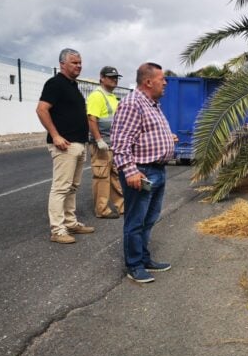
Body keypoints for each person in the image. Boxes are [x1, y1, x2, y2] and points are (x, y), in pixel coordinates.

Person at [111, 62, 175, 283]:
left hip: (157, 169)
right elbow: (120, 143)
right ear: (148, 82)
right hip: (142, 171)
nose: (165, 82)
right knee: (136, 221)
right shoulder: (133, 104)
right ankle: (134, 265)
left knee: (149, 219)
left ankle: (144, 257)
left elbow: (144, 134)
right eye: (162, 79)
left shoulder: (152, 104)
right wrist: (131, 172)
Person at [36, 48, 95, 244]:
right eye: (74, 62)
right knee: (61, 188)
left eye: (79, 62)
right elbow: (42, 109)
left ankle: (70, 223)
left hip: (78, 144)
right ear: (62, 64)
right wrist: (55, 135)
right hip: (64, 145)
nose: (78, 65)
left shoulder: (73, 86)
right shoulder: (55, 84)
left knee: (73, 187)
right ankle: (58, 230)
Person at [86, 66, 125, 218]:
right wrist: (98, 140)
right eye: (110, 77)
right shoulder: (97, 96)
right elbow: (91, 118)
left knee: (115, 176)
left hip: (113, 143)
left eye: (116, 77)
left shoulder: (112, 97)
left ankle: (121, 206)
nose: (114, 79)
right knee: (102, 177)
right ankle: (101, 210)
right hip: (102, 145)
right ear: (102, 78)